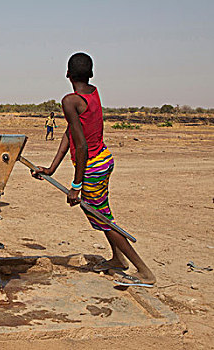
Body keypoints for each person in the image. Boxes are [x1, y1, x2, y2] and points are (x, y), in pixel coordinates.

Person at [31, 52, 156, 288]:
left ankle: (144, 271)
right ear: (91, 74)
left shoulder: (70, 101)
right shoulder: (91, 93)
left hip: (93, 166)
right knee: (102, 214)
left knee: (103, 219)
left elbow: (81, 145)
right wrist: (51, 169)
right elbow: (70, 133)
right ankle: (118, 259)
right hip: (103, 160)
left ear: (67, 74)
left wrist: (76, 186)